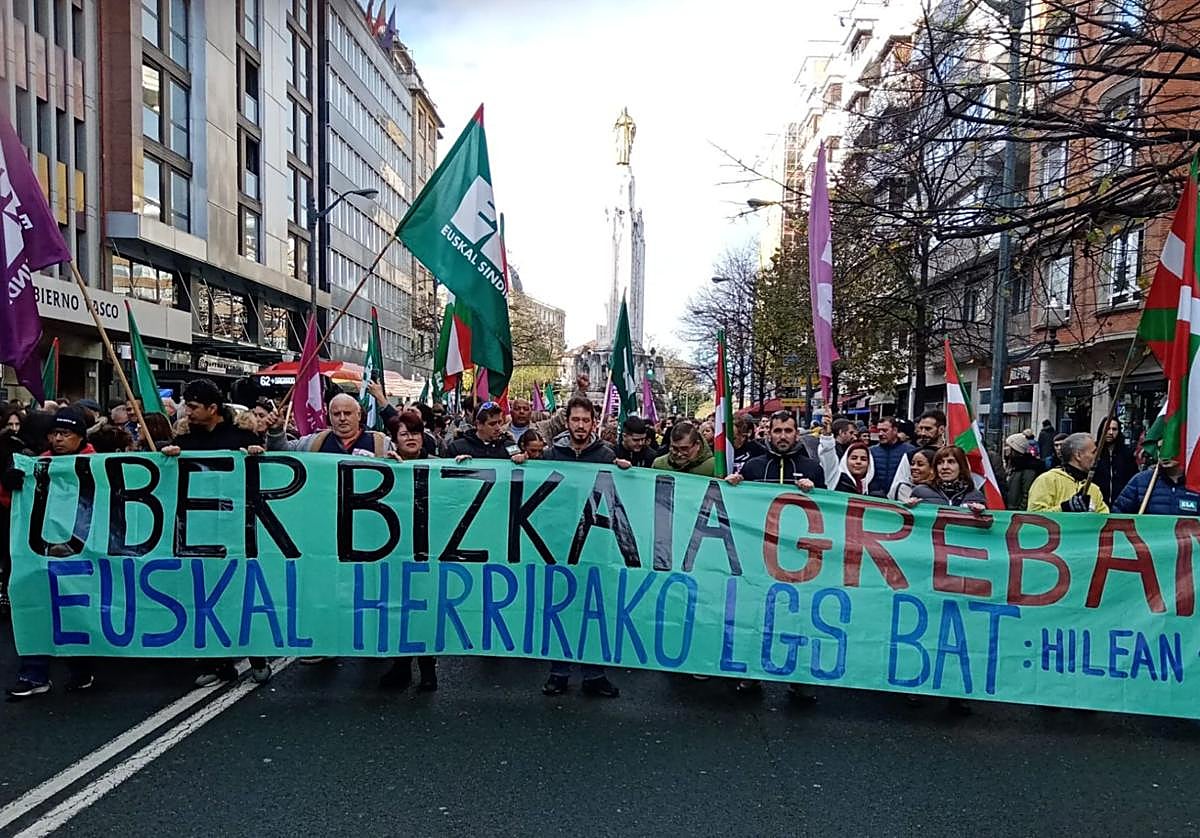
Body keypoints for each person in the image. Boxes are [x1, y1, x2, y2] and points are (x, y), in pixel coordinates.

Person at [162, 379, 273, 685]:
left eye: (194, 406)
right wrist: (168, 456)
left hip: (237, 528)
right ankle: (218, 663)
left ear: (213, 408)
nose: (188, 412)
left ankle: (256, 655)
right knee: (205, 595)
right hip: (199, 530)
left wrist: (255, 453)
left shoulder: (240, 435)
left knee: (241, 592)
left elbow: (261, 475)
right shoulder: (185, 436)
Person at [537, 396, 626, 699]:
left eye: (585, 420)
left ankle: (594, 674)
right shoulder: (551, 454)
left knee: (593, 608)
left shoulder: (605, 456)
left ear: (592, 422)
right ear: (567, 421)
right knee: (561, 609)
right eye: (575, 420)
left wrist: (627, 473)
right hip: (558, 543)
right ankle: (558, 673)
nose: (580, 425)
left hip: (594, 544)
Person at [6, 408, 98, 698]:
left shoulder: (99, 465)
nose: (57, 439)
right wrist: (11, 484)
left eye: (65, 434)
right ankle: (34, 674)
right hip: (41, 552)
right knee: (36, 605)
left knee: (74, 610)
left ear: (81, 438)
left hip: (81, 554)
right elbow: (12, 503)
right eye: (54, 434)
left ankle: (81, 670)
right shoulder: (38, 466)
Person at [378, 409, 439, 692]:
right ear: (395, 440)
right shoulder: (386, 466)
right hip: (396, 550)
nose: (411, 438)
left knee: (424, 609)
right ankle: (401, 666)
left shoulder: (440, 465)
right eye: (404, 434)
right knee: (400, 609)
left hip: (430, 550)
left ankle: (428, 669)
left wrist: (464, 467)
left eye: (415, 432)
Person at [267, 392, 394, 456]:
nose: (342, 418)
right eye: (337, 414)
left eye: (348, 413)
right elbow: (281, 453)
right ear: (330, 416)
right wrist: (276, 431)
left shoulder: (381, 443)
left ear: (359, 415)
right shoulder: (314, 442)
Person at [731, 410, 825, 489]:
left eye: (788, 431)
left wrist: (814, 491)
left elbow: (825, 505)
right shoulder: (752, 467)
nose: (783, 436)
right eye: (777, 431)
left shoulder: (813, 469)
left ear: (797, 434)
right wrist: (731, 484)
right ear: (769, 435)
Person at [1027, 432, 1108, 513]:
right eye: (1093, 452)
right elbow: (1034, 518)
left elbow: (1106, 519)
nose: (1098, 457)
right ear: (1078, 455)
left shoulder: (1094, 489)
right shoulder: (1047, 481)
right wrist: (1065, 508)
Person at [909, 446, 988, 512]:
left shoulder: (975, 496)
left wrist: (982, 515)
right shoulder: (920, 492)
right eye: (940, 463)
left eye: (951, 462)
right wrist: (908, 508)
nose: (944, 467)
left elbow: (988, 527)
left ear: (961, 466)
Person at [1113, 457, 1200, 515]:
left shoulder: (1197, 483)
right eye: (1161, 448)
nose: (1165, 454)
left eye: (1170, 448)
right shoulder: (1141, 481)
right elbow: (1118, 515)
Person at [446, 401, 518, 461]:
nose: (498, 428)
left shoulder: (510, 446)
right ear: (479, 424)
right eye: (492, 424)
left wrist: (521, 459)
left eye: (500, 422)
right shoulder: (457, 447)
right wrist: (458, 465)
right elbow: (445, 472)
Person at [1093, 418, 1137, 505]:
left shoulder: (1126, 454)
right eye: (1107, 429)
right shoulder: (1094, 452)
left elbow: (1132, 479)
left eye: (1114, 429)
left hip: (1121, 504)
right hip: (1097, 504)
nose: (1110, 432)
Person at [869, 416, 915, 497]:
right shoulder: (871, 451)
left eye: (885, 430)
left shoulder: (910, 451)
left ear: (895, 430)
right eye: (879, 430)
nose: (880, 434)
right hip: (876, 499)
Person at [1004, 433, 1044, 511]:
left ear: (1015, 449)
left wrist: (1020, 510)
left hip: (1016, 511)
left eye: (1008, 446)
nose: (1005, 449)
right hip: (1010, 508)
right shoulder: (1013, 465)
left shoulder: (1028, 469)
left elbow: (1027, 494)